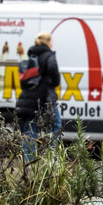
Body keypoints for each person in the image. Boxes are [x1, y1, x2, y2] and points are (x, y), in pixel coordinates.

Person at [16, 30, 63, 159]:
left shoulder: (32, 55)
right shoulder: (49, 55)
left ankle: (28, 159)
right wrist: (54, 81)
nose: (52, 44)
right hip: (45, 96)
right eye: (51, 41)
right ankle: (52, 157)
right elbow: (53, 71)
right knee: (56, 125)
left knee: (31, 127)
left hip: (30, 97)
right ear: (47, 42)